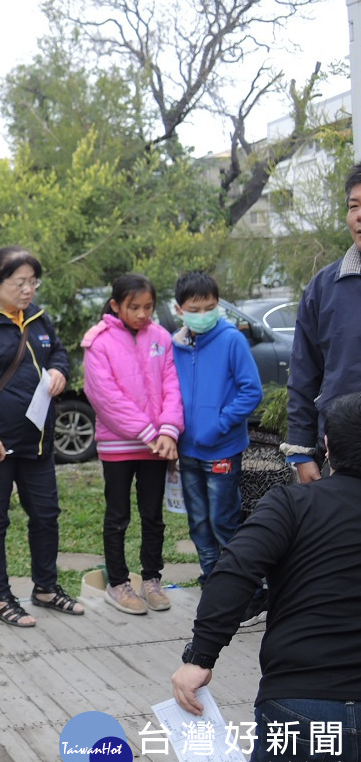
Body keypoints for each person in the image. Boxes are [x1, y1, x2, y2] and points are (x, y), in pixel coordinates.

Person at [170, 390, 361, 762]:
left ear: (327, 446)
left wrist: (200, 659)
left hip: (301, 709)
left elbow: (234, 572)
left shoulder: (291, 505)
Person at [0, 245, 83, 628]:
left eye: (33, 282)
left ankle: (45, 587)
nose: (28, 290)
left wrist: (59, 371)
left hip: (37, 440)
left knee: (46, 515)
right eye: (20, 282)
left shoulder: (38, 318)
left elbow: (58, 353)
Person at [81, 274, 183, 616]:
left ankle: (152, 579)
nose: (142, 314)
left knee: (153, 516)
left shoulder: (161, 337)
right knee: (118, 516)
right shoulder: (98, 341)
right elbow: (106, 398)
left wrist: (168, 431)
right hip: (120, 446)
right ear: (115, 305)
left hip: (157, 446)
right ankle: (119, 583)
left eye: (148, 307)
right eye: (134, 307)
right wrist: (150, 433)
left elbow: (171, 385)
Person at [171, 270, 262, 586]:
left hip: (222, 450)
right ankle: (213, 580)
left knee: (222, 521)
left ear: (218, 304)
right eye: (193, 310)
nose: (202, 315)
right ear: (179, 310)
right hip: (188, 452)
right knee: (198, 523)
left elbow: (251, 390)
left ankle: (243, 586)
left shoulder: (231, 339)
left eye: (209, 307)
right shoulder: (177, 344)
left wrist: (220, 424)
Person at [283, 160, 361, 483]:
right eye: (353, 206)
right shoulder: (324, 288)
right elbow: (304, 374)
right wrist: (301, 452)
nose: (358, 215)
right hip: (340, 459)